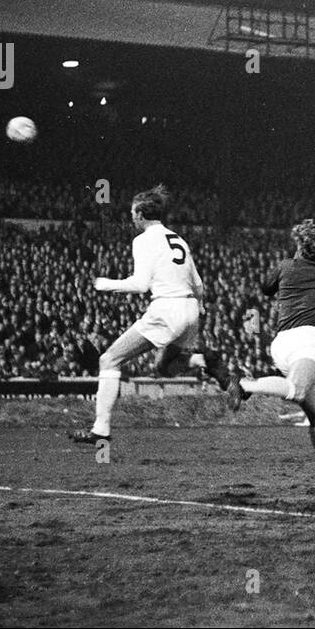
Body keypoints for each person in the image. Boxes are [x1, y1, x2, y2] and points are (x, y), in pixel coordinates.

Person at [71, 185, 227, 447]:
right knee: (163, 366)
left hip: (166, 309)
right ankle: (205, 360)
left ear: (141, 214)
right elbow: (198, 283)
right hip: (190, 310)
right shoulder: (177, 239)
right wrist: (199, 307)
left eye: (133, 212)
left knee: (109, 359)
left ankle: (101, 429)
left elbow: (140, 284)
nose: (131, 217)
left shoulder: (143, 240)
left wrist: (103, 284)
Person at [227, 220, 315, 497]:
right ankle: (245, 385)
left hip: (281, 344)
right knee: (297, 390)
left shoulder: (286, 266)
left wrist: (296, 257)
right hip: (307, 341)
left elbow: (266, 287)